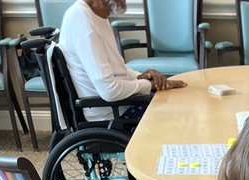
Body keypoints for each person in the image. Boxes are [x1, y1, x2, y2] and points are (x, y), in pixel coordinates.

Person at [59, 0, 187, 124]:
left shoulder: (99, 15)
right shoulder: (82, 19)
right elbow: (109, 91)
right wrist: (149, 85)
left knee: (179, 102)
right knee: (179, 115)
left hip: (122, 104)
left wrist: (140, 76)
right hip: (111, 115)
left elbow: (118, 67)